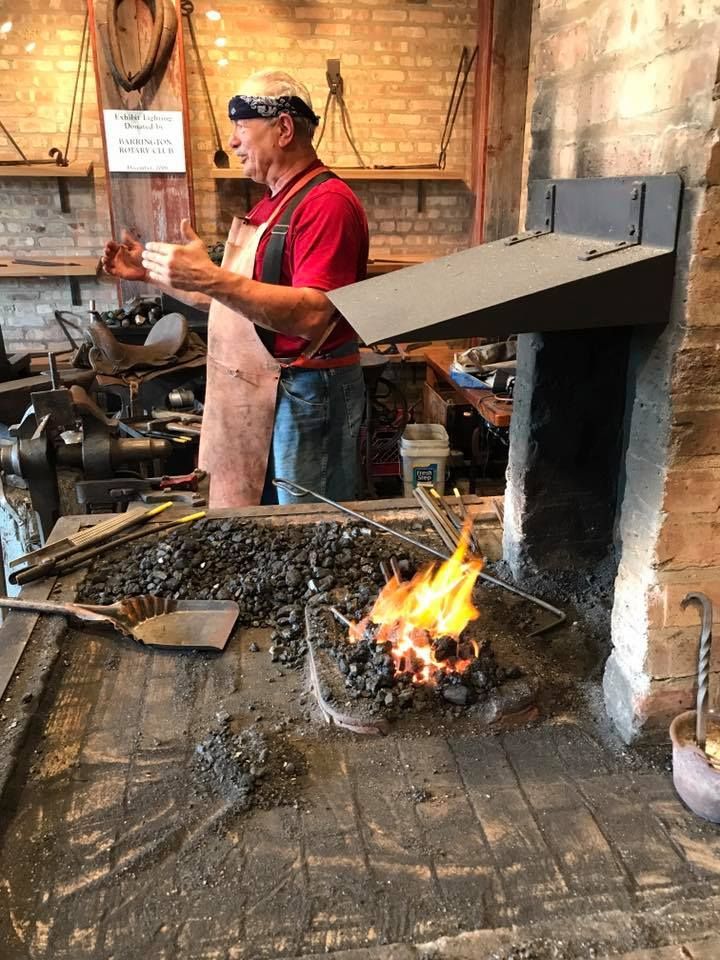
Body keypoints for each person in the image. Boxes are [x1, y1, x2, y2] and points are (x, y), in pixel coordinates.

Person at [101, 69, 368, 508]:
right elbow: (230, 301)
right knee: (265, 525)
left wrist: (210, 275)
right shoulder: (272, 204)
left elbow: (312, 315)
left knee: (308, 527)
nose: (233, 142)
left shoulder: (327, 204)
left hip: (308, 390)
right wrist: (152, 274)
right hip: (267, 388)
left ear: (283, 129)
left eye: (242, 128)